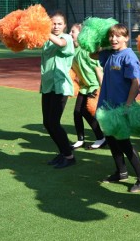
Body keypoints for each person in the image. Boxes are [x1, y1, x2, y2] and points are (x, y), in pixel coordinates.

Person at [97, 24, 140, 193]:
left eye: (118, 36)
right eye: (112, 36)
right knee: (112, 140)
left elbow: (135, 81)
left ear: (126, 38)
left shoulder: (128, 56)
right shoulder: (110, 54)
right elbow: (93, 53)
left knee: (124, 143)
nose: (114, 39)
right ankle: (121, 172)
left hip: (121, 107)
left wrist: (128, 104)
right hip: (108, 107)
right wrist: (100, 41)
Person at [41, 10, 76, 169]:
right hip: (48, 85)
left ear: (65, 25)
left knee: (54, 122)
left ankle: (69, 156)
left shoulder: (66, 38)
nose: (55, 26)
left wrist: (41, 30)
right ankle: (63, 152)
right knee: (47, 123)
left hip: (61, 86)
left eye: (59, 24)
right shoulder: (47, 40)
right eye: (53, 23)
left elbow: (60, 43)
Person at [69, 23, 105, 150]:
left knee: (86, 111)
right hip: (84, 87)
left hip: (94, 86)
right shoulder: (74, 51)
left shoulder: (87, 51)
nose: (70, 34)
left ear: (81, 34)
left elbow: (98, 70)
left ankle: (101, 137)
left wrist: (102, 89)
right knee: (77, 112)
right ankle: (80, 140)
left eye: (73, 31)